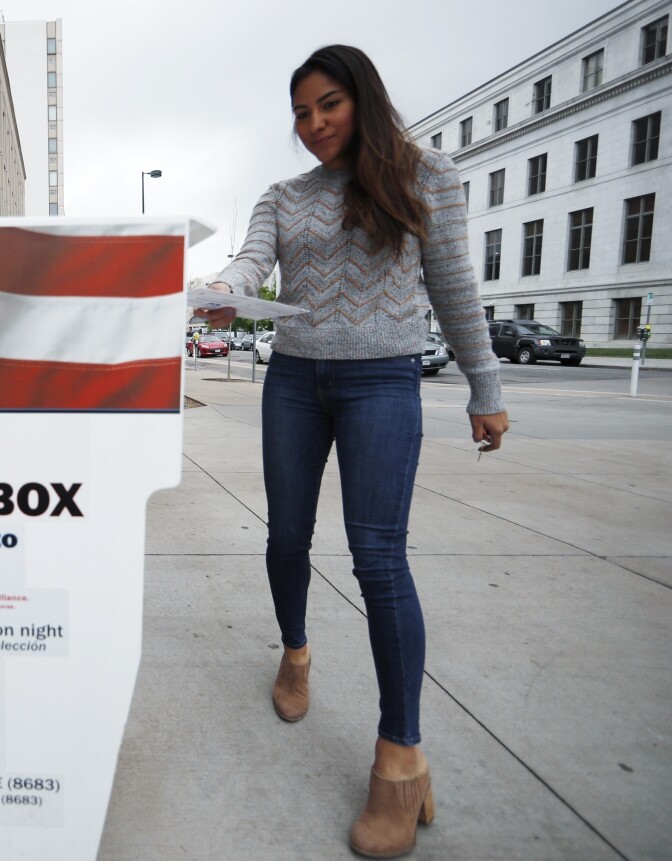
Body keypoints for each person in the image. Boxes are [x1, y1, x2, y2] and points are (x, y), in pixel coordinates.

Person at [197, 45, 509, 858]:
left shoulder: (428, 174)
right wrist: (227, 288)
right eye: (301, 113)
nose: (313, 125)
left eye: (327, 104)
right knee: (285, 535)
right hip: (296, 379)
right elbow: (251, 259)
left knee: (378, 556)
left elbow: (454, 286)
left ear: (361, 97)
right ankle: (296, 652)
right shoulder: (282, 195)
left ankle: (400, 757)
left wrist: (485, 387)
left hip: (382, 380)